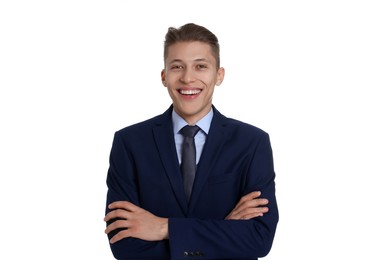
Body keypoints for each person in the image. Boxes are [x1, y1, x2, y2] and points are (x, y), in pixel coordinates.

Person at [104, 23, 278, 260]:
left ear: (219, 75)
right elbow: (122, 243)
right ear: (164, 76)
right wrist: (223, 229)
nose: (188, 78)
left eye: (201, 66)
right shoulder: (129, 143)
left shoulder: (252, 143)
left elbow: (259, 239)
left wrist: (164, 228)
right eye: (177, 67)